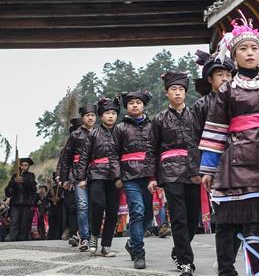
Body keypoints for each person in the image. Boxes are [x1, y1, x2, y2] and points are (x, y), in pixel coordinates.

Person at [199, 20, 259, 276]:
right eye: (244, 48)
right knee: (252, 224)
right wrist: (208, 169)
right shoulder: (227, 91)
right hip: (240, 162)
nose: (250, 52)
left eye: (254, 47)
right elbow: (215, 129)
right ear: (234, 55)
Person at [148, 72, 203, 276]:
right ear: (167, 93)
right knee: (179, 217)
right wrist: (153, 177)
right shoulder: (159, 119)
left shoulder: (196, 115)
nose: (178, 92)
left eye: (181, 89)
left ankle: (178, 250)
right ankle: (186, 262)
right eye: (174, 89)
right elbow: (152, 149)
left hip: (194, 170)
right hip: (170, 172)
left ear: (185, 93)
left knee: (192, 216)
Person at [192, 51, 241, 275]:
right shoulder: (201, 105)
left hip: (241, 163)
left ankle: (227, 258)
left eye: (228, 74)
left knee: (242, 217)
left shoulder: (240, 99)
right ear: (210, 79)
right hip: (215, 166)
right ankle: (226, 267)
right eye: (219, 74)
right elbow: (194, 139)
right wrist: (200, 170)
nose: (225, 79)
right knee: (223, 218)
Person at [115, 91, 154, 269]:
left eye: (138, 102)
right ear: (126, 107)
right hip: (129, 176)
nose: (135, 105)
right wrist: (117, 176)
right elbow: (113, 154)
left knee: (148, 215)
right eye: (131, 103)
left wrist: (156, 176)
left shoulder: (153, 126)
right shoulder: (120, 128)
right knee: (137, 211)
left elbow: (156, 151)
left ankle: (131, 243)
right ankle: (139, 252)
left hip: (147, 176)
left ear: (144, 105)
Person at [79, 96, 121, 257]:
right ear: (101, 116)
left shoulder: (121, 131)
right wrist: (82, 178)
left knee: (112, 211)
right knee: (97, 205)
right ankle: (94, 236)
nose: (110, 116)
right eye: (107, 113)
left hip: (116, 176)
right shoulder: (93, 134)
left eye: (113, 113)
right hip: (96, 174)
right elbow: (84, 157)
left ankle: (106, 245)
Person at [65, 105, 97, 251]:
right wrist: (65, 178)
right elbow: (66, 158)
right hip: (79, 176)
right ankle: (84, 238)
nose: (90, 118)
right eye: (87, 115)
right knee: (82, 206)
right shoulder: (75, 135)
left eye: (93, 115)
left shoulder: (100, 133)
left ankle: (93, 236)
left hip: (97, 175)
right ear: (83, 118)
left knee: (95, 207)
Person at [6, 157, 37, 241]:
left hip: (26, 203)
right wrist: (13, 183)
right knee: (14, 221)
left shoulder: (31, 176)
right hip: (15, 203)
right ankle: (12, 239)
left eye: (26, 165)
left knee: (24, 223)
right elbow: (8, 191)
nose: (24, 167)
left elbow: (33, 188)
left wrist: (23, 181)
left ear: (28, 166)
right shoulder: (14, 175)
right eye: (22, 165)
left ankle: (22, 240)